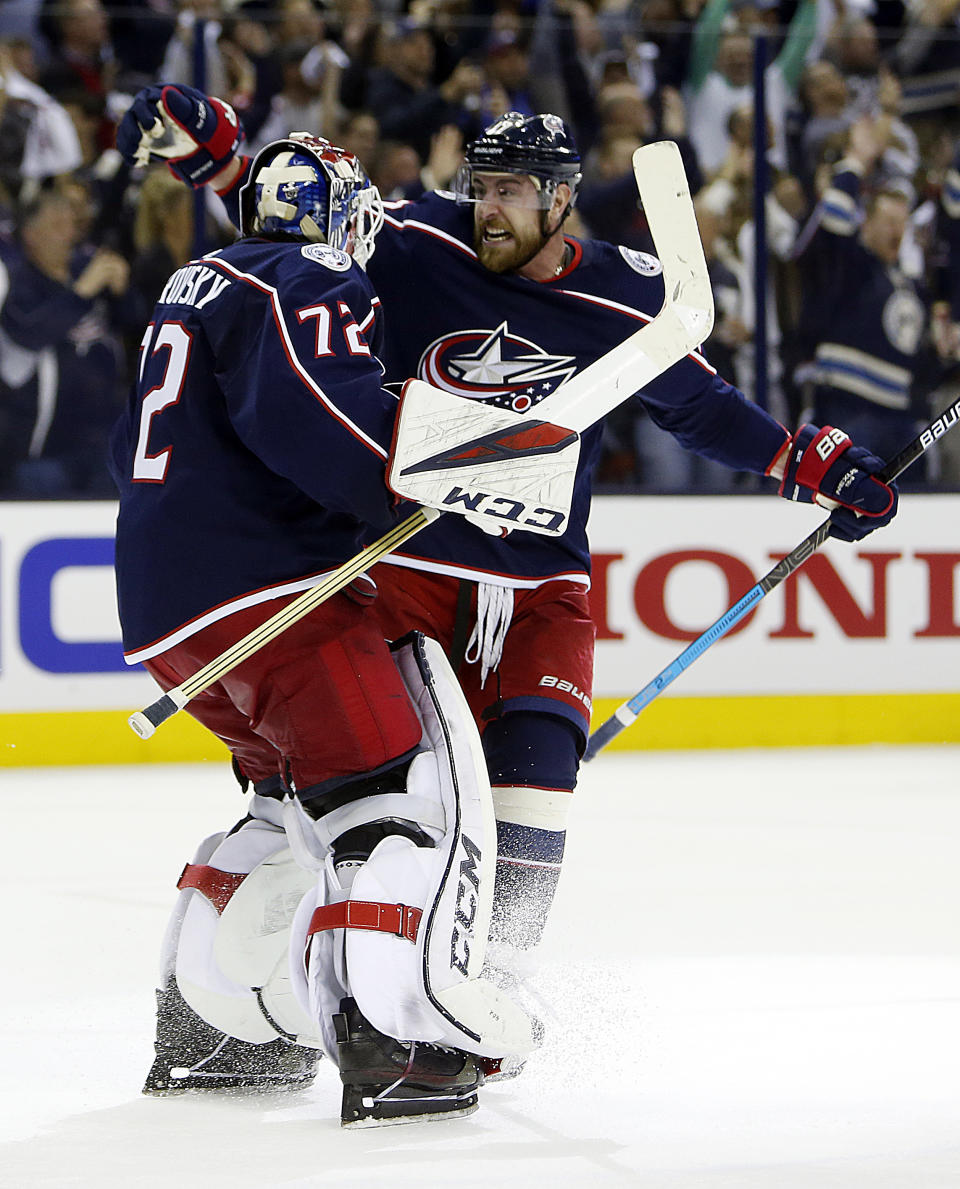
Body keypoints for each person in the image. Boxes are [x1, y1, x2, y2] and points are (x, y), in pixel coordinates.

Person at [117, 86, 900, 1045]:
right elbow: (303, 215)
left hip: (542, 591)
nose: (489, 207)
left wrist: (803, 461)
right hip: (412, 563)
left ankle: (471, 993)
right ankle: (282, 1013)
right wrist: (218, 159)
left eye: (513, 193)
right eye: (481, 186)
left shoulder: (622, 295)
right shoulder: (419, 237)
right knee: (367, 799)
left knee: (530, 809)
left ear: (562, 197)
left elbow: (698, 407)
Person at [110, 130, 553, 1125]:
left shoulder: (197, 282)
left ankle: (217, 1034)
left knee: (280, 806)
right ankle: (394, 1043)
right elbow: (336, 432)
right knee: (391, 797)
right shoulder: (306, 281)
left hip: (168, 608)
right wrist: (457, 457)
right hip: (272, 597)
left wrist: (415, 423)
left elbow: (154, 443)